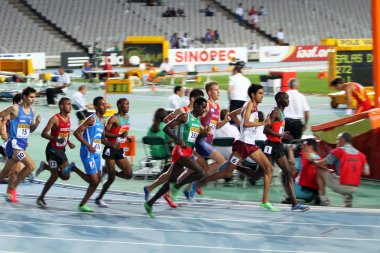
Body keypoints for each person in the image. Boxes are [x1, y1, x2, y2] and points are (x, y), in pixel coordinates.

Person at [201, 84, 276, 211]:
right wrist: (263, 122)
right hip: (246, 145)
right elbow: (246, 123)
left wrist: (241, 127)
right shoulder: (250, 105)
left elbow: (232, 115)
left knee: (227, 173)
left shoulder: (249, 106)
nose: (262, 95)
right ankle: (265, 201)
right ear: (253, 95)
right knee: (268, 168)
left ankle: (200, 182)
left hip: (243, 144)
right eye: (260, 93)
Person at [143, 97, 208, 218]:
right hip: (180, 151)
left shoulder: (198, 121)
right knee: (200, 171)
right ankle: (177, 187)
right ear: (197, 105)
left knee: (169, 182)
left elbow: (192, 138)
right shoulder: (185, 116)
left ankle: (149, 203)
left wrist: (203, 134)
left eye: (205, 108)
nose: (204, 110)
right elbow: (166, 128)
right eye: (203, 107)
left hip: (188, 151)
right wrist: (177, 139)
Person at [263, 91, 310, 211]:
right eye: (286, 98)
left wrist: (282, 134)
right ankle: (234, 168)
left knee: (288, 172)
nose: (288, 100)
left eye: (288, 98)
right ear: (279, 100)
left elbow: (276, 130)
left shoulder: (282, 113)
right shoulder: (275, 112)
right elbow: (266, 130)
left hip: (277, 146)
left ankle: (294, 204)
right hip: (270, 146)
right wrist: (281, 135)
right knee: (258, 174)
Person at [72, 96, 118, 212]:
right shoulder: (91, 119)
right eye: (102, 104)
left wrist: (112, 144)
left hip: (96, 153)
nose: (105, 106)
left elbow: (102, 139)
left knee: (96, 180)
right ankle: (82, 204)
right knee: (95, 181)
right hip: (87, 152)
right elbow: (77, 133)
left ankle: (82, 204)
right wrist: (88, 145)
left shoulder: (102, 121)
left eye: (105, 104)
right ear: (97, 107)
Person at [0, 86, 41, 203]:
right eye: (31, 97)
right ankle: (12, 189)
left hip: (21, 145)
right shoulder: (15, 108)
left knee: (4, 173)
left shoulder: (33, 111)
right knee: (31, 166)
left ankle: (10, 189)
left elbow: (30, 130)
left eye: (35, 97)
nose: (33, 99)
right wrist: (3, 132)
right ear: (24, 97)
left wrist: (37, 123)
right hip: (13, 145)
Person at [308, 132, 369, 207]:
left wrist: (312, 160)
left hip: (341, 186)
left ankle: (323, 199)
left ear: (342, 140)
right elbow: (366, 172)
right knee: (341, 174)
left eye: (337, 139)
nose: (336, 142)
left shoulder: (338, 151)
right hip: (354, 188)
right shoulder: (361, 155)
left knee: (320, 170)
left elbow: (321, 164)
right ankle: (347, 196)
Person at [34, 98, 76, 207]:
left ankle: (44, 166)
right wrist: (56, 139)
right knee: (54, 176)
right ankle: (41, 198)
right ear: (61, 106)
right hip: (52, 151)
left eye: (70, 104)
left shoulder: (68, 118)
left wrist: (69, 142)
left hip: (61, 151)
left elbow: (66, 134)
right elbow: (43, 133)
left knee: (65, 176)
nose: (70, 106)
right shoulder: (55, 119)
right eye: (68, 104)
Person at [94, 98, 133, 207]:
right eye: (126, 104)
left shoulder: (127, 118)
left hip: (119, 149)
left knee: (129, 174)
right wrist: (119, 136)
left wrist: (127, 137)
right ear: (120, 106)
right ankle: (99, 198)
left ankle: (107, 171)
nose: (128, 106)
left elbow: (122, 132)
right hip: (110, 148)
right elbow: (105, 134)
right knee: (111, 179)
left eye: (128, 104)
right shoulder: (114, 118)